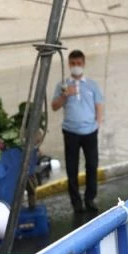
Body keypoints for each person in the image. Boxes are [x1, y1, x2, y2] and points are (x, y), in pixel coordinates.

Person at [51, 49, 104, 214]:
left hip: (90, 131)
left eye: (78, 64)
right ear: (69, 64)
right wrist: (65, 95)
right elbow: (54, 106)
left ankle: (90, 198)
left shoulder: (92, 85)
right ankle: (76, 202)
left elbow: (99, 104)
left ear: (84, 64)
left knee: (92, 164)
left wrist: (98, 122)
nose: (76, 67)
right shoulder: (62, 85)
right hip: (70, 131)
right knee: (71, 167)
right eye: (73, 64)